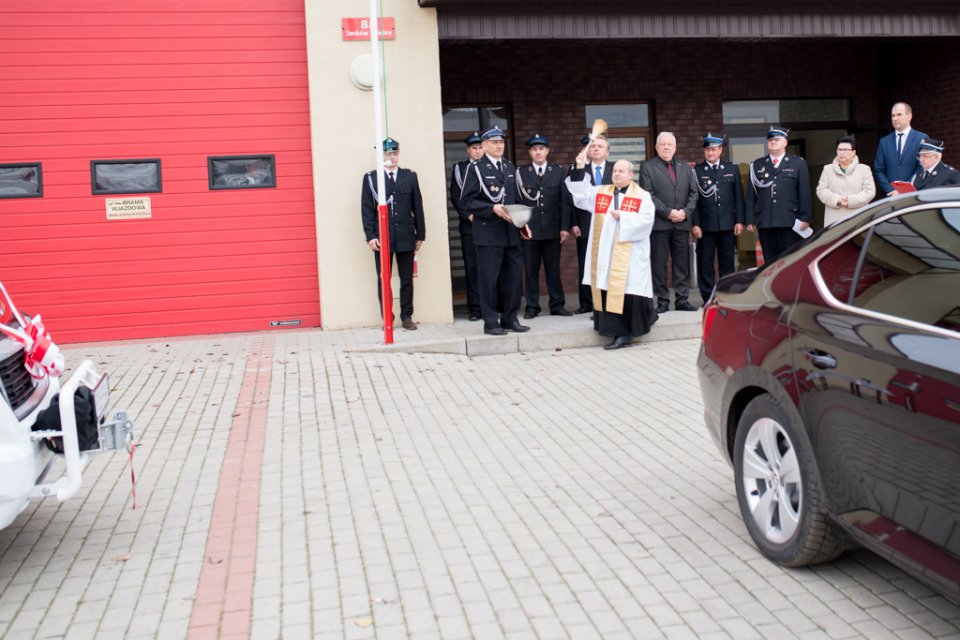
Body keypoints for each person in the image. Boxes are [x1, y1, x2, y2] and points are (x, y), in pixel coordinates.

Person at [566, 156, 658, 350]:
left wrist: (623, 216)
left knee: (630, 292)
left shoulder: (641, 195)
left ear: (630, 175)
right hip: (606, 255)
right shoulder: (602, 193)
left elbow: (647, 222)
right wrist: (580, 166)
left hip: (631, 256)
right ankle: (617, 331)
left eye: (621, 171)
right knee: (609, 290)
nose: (616, 174)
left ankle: (627, 332)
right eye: (615, 170)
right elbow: (580, 195)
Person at [459, 126, 530, 336]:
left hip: (510, 232)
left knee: (514, 278)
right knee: (489, 279)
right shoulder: (476, 169)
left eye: (501, 142)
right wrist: (491, 208)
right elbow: (467, 201)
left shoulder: (509, 167)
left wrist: (523, 221)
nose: (499, 146)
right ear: (484, 145)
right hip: (488, 233)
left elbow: (515, 200)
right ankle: (490, 321)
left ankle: (510, 318)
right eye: (494, 142)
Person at [360, 137, 425, 330]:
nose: (392, 157)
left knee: (406, 279)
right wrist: (371, 236)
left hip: (406, 235)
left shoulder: (409, 176)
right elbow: (366, 209)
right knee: (384, 279)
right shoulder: (372, 178)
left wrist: (420, 234)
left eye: (395, 153)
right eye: (388, 153)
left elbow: (418, 206)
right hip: (383, 237)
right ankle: (387, 317)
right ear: (381, 155)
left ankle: (407, 316)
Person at [638, 132, 698, 313]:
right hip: (659, 224)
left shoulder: (685, 167)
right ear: (656, 147)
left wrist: (685, 212)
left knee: (681, 263)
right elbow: (648, 194)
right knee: (659, 263)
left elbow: (693, 193)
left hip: (681, 223)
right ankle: (663, 300)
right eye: (662, 144)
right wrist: (668, 212)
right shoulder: (647, 167)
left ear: (675, 147)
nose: (666, 147)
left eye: (669, 144)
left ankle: (682, 299)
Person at [516, 134, 572, 318]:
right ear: (530, 152)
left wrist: (565, 227)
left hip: (552, 230)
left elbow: (564, 202)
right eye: (534, 149)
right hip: (530, 231)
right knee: (531, 272)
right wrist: (522, 226)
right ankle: (532, 307)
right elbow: (517, 202)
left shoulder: (558, 171)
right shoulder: (522, 173)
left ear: (547, 151)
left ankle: (557, 305)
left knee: (553, 271)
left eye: (541, 149)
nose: (538, 152)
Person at [746, 126, 812, 264]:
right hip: (766, 221)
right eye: (770, 140)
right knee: (769, 262)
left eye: (777, 139)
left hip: (790, 221)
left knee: (789, 261)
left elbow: (804, 192)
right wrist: (750, 219)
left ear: (785, 142)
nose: (773, 142)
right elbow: (751, 194)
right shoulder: (757, 165)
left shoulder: (798, 163)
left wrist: (805, 217)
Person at [692, 133, 744, 304]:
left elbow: (738, 197)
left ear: (720, 150)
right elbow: (694, 201)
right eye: (707, 150)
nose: (710, 153)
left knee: (727, 262)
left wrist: (739, 220)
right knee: (705, 263)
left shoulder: (731, 169)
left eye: (714, 149)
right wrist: (696, 224)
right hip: (706, 226)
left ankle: (726, 295)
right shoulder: (697, 171)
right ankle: (708, 297)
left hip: (728, 224)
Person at [565, 134, 612, 314]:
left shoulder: (615, 168)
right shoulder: (578, 168)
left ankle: (606, 302)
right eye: (592, 147)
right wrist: (574, 223)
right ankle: (586, 303)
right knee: (586, 264)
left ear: (607, 151)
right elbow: (572, 198)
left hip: (609, 226)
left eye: (600, 146)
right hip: (585, 225)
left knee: (606, 264)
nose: (595, 149)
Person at [450, 131, 485, 321]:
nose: (478, 151)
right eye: (474, 148)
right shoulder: (459, 168)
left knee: (490, 267)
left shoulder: (491, 167)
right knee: (472, 267)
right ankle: (475, 308)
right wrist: (468, 215)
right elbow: (456, 196)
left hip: (490, 225)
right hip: (469, 225)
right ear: (468, 150)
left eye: (480, 147)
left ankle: (492, 305)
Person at [816, 135, 877, 225]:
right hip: (834, 219)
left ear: (853, 152)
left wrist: (850, 200)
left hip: (858, 216)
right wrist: (837, 200)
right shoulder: (828, 169)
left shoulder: (864, 169)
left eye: (845, 150)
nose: (841, 153)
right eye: (839, 149)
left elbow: (869, 192)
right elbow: (821, 190)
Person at [875, 102, 927, 197]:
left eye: (899, 115)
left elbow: (922, 168)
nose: (895, 118)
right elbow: (879, 170)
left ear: (909, 116)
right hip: (890, 196)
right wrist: (891, 190)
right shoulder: (884, 141)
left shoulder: (921, 138)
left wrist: (903, 190)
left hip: (913, 195)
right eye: (893, 115)